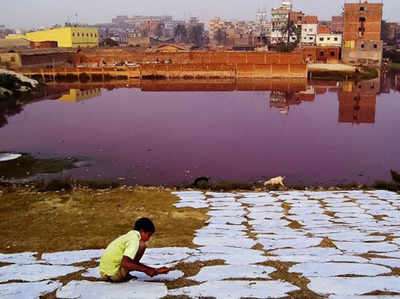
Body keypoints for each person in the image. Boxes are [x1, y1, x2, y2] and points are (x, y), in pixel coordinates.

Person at [99, 217, 173, 282]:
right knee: (142, 246)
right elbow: (126, 263)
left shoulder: (129, 236)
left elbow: (128, 262)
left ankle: (123, 273)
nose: (148, 239)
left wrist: (153, 270)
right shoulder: (134, 240)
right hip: (113, 275)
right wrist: (150, 270)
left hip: (105, 273)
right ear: (142, 231)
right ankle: (123, 274)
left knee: (140, 246)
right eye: (148, 235)